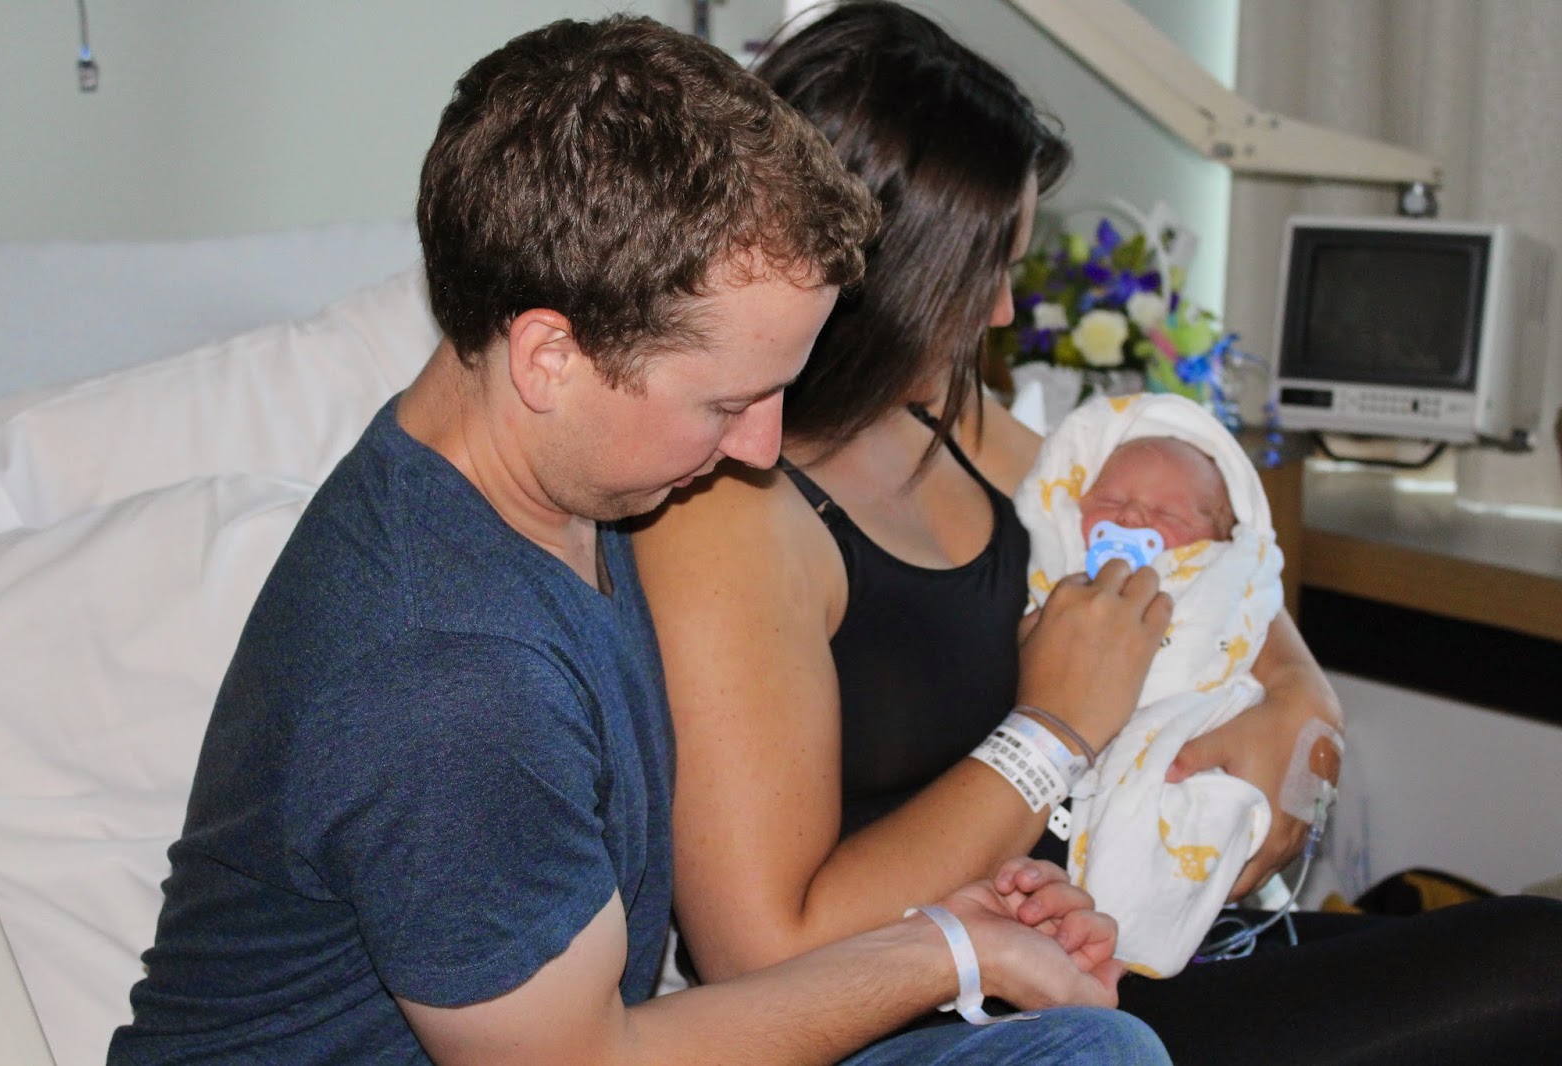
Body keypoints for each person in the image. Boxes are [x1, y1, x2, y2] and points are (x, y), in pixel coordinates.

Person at [108, 14, 1174, 1066]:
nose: (761, 447)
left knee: (1090, 1046)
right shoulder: (450, 674)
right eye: (726, 404)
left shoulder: (555, 485)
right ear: (549, 360)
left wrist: (949, 926)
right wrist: (940, 952)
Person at [631, 2, 1562, 1062]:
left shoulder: (948, 417)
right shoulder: (730, 513)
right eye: (986, 272)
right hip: (964, 1016)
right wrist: (1053, 730)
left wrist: (1303, 707)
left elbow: (1206, 558)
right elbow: (760, 950)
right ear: (889, 274)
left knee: (1535, 949)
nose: (999, 314)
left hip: (1116, 930)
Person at [1016, 393, 1308, 978]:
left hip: (1193, 741)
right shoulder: (1057, 585)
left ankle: (1146, 921)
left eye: (1167, 515)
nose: (1130, 520)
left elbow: (1245, 617)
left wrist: (1310, 706)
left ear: (1219, 535)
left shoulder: (1219, 574)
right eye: (1110, 502)